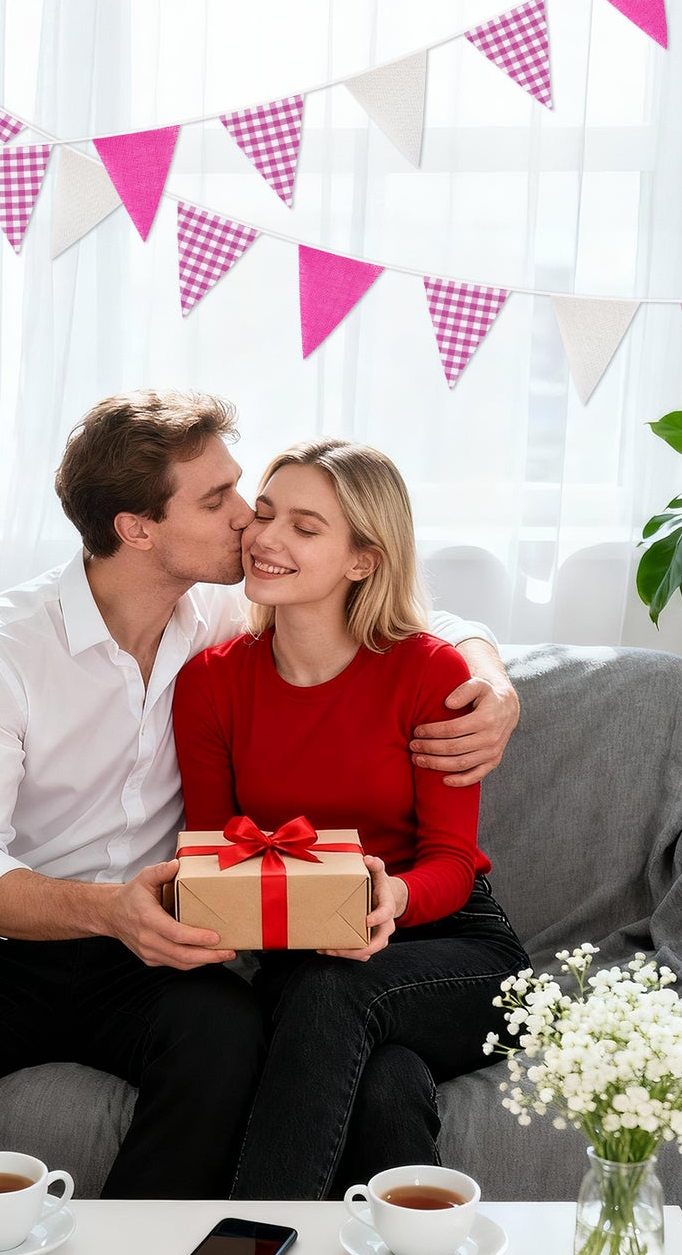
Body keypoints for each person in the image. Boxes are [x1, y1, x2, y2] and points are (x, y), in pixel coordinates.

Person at [0, 392, 518, 1199]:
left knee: (232, 1039)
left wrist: (494, 680)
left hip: (150, 953)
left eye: (246, 497)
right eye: (222, 500)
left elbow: (394, 608)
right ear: (137, 527)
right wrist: (107, 908)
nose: (248, 525)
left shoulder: (225, 605)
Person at [173, 437, 529, 1199]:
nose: (265, 537)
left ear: (362, 559)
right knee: (384, 1084)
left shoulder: (428, 670)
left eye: (304, 527)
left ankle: (246, 1244)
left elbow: (450, 858)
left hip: (452, 946)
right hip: (305, 960)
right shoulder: (210, 683)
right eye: (263, 513)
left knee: (336, 991)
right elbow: (216, 854)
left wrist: (391, 896)